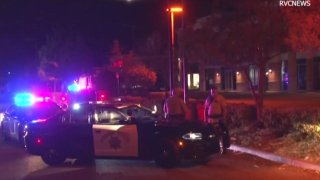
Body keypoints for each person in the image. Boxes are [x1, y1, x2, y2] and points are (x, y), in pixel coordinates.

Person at [204, 86, 229, 154]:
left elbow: (224, 109)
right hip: (210, 119)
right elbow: (205, 110)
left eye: (215, 91)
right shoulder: (208, 99)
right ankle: (213, 149)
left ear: (217, 91)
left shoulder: (221, 98)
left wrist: (223, 118)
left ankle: (224, 149)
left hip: (219, 119)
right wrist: (205, 119)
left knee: (221, 134)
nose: (213, 93)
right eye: (212, 91)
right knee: (211, 134)